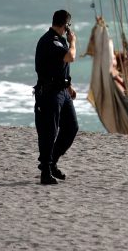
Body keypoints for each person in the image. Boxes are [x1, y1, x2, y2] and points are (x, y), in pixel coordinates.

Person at [34, 9, 79, 185]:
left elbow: (59, 67)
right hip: (49, 93)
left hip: (62, 91)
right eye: (69, 25)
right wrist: (73, 42)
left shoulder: (59, 41)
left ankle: (52, 162)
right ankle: (45, 170)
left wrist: (69, 87)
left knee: (71, 127)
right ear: (66, 25)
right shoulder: (50, 41)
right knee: (49, 132)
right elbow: (70, 57)